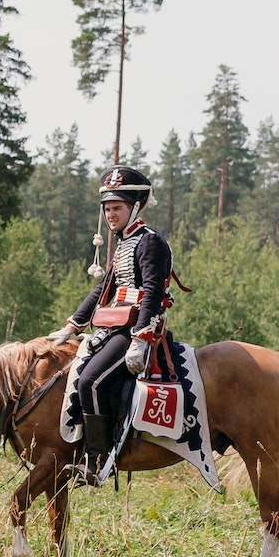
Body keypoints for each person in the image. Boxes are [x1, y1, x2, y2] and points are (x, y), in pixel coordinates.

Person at [47, 165, 171, 483]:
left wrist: (141, 339)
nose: (110, 214)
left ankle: (98, 461)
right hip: (114, 326)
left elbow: (154, 293)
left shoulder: (149, 242)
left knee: (91, 381)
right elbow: (102, 290)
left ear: (134, 208)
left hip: (136, 329)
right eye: (107, 208)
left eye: (117, 207)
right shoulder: (122, 245)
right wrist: (72, 326)